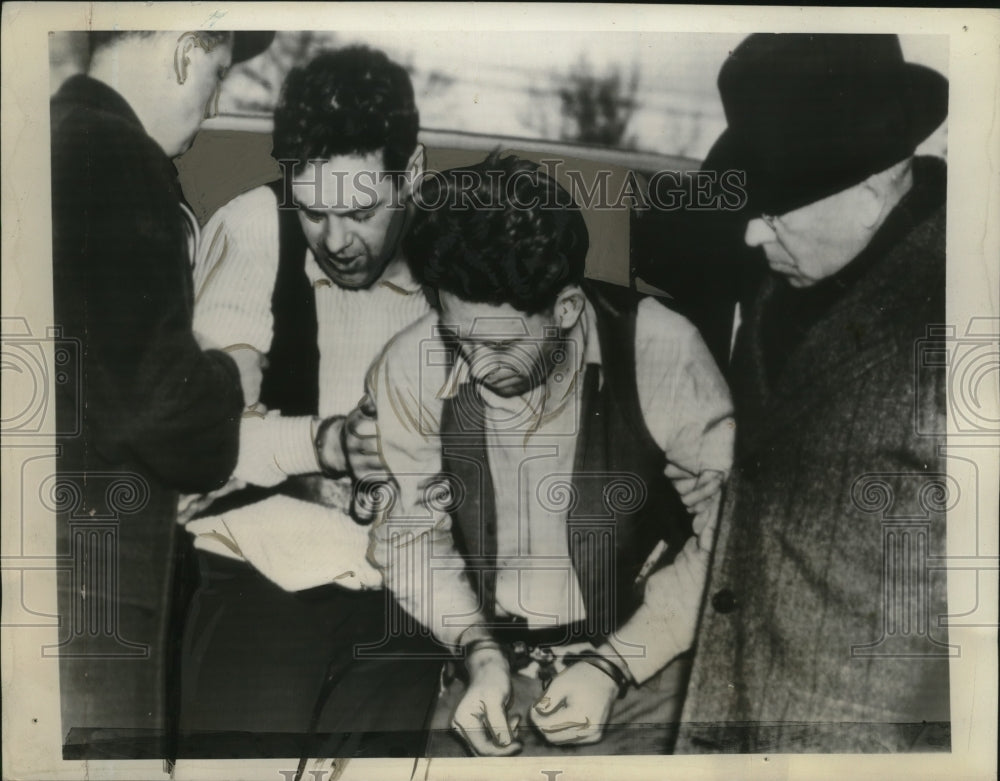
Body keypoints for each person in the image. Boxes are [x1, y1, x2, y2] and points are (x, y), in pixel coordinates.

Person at [364, 152, 735, 756]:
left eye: (504, 343)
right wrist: (477, 653)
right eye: (460, 339)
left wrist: (614, 666)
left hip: (647, 660)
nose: (478, 368)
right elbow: (411, 538)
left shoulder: (661, 348)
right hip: (493, 663)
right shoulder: (410, 363)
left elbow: (731, 540)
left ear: (565, 309)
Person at [674, 34, 951, 753]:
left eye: (777, 207)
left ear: (872, 186)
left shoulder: (962, 317)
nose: (750, 234)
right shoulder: (779, 292)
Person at [177, 47, 443, 759]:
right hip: (260, 578)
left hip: (410, 597)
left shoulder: (459, 255)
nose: (335, 240)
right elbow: (199, 447)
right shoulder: (256, 227)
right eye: (315, 210)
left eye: (360, 209)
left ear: (410, 174)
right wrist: (322, 444)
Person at [50, 29, 274, 754]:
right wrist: (231, 378)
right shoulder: (121, 156)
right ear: (185, 52)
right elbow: (156, 407)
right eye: (215, 76)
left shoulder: (51, 135)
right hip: (99, 575)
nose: (210, 108)